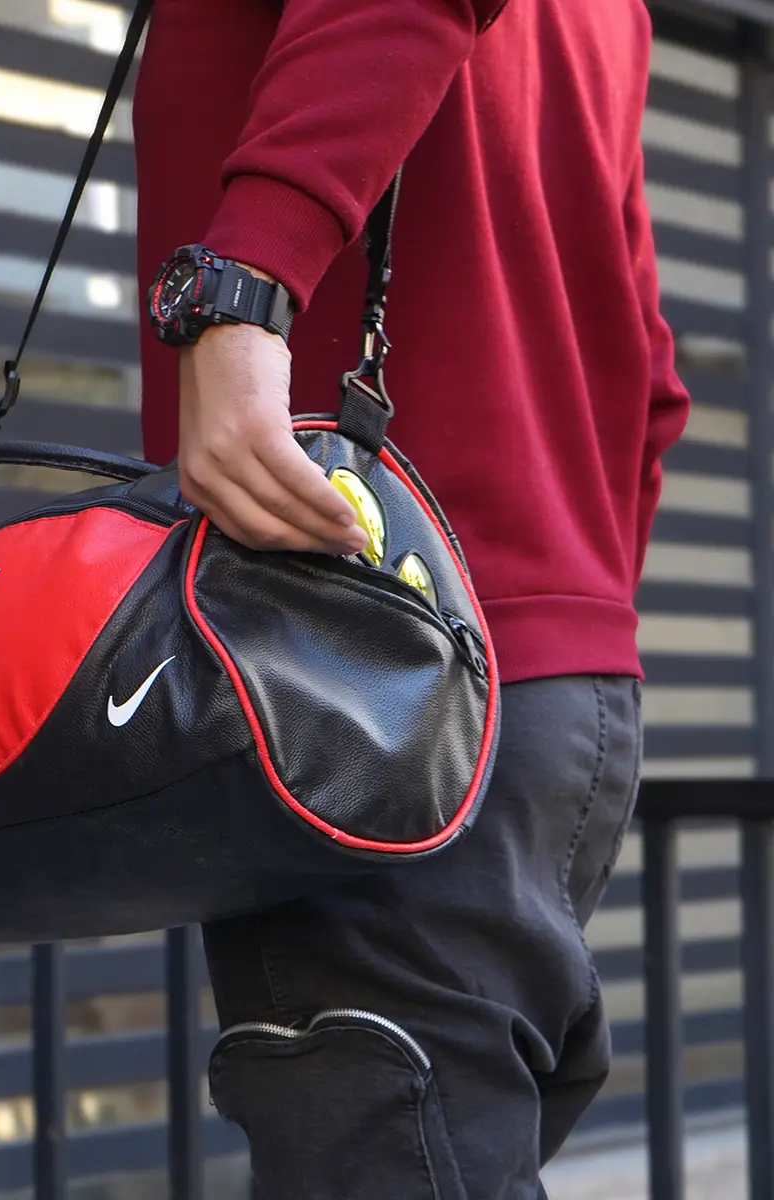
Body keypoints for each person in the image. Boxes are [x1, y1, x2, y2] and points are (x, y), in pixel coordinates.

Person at [132, 0, 690, 1196]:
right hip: (556, 701)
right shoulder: (613, 17)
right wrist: (558, 615)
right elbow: (647, 377)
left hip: (361, 683)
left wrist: (243, 287)